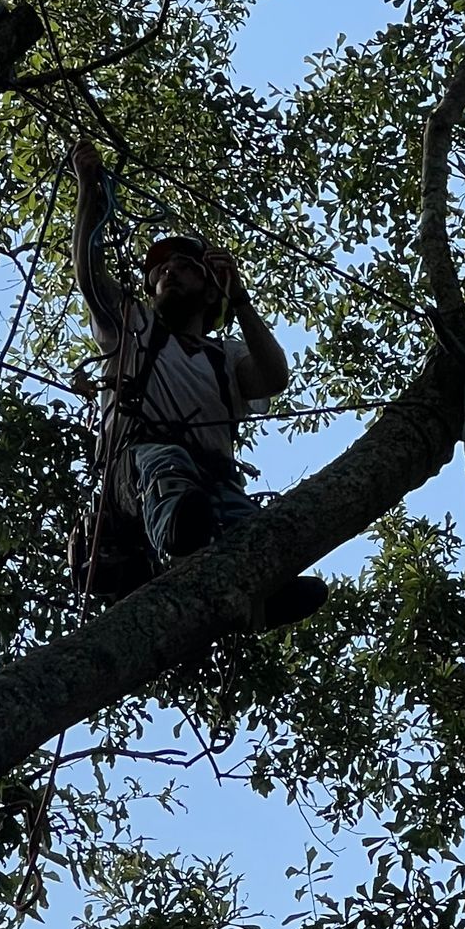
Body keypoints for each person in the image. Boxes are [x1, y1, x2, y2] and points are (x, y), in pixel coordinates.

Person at [70, 138, 327, 626]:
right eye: (162, 270)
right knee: (166, 468)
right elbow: (88, 273)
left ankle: (265, 592)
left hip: (212, 479)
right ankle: (181, 539)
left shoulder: (223, 357)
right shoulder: (133, 327)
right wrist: (87, 192)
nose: (169, 272)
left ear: (211, 294)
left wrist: (241, 299)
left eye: (186, 268)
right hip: (136, 473)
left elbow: (274, 376)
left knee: (242, 518)